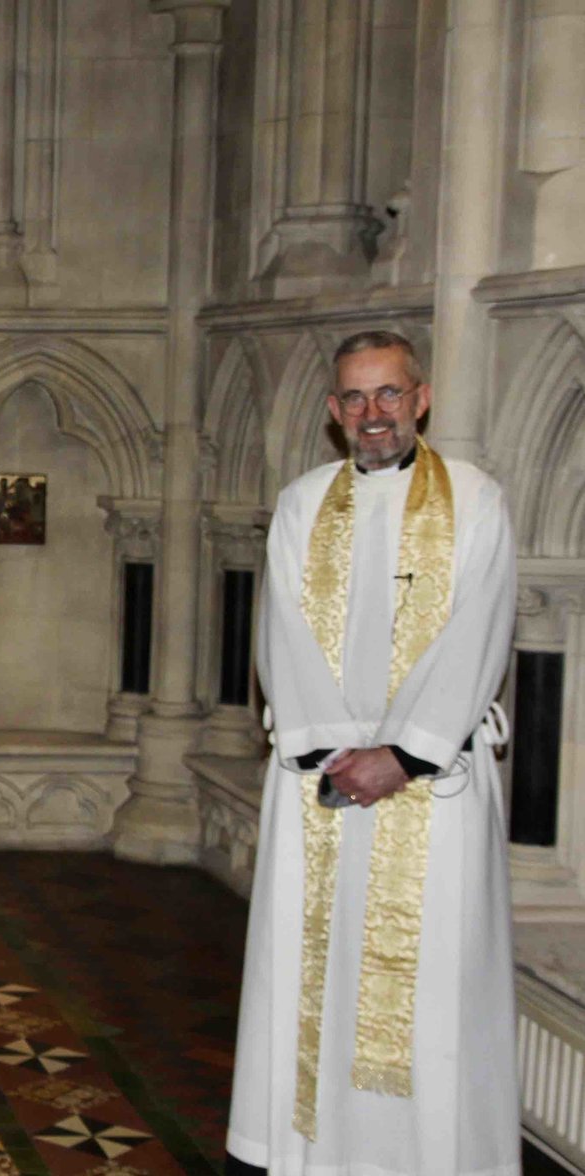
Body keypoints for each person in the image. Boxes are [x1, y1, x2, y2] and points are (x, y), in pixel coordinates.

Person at [225, 331, 518, 1176]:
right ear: (333, 412)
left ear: (421, 398)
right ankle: (313, 1153)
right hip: (324, 782)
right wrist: (335, 750)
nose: (372, 414)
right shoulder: (302, 503)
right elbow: (279, 634)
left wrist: (405, 757)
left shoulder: (474, 500)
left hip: (435, 788)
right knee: (314, 975)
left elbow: (479, 633)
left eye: (388, 395)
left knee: (432, 988)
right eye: (354, 399)